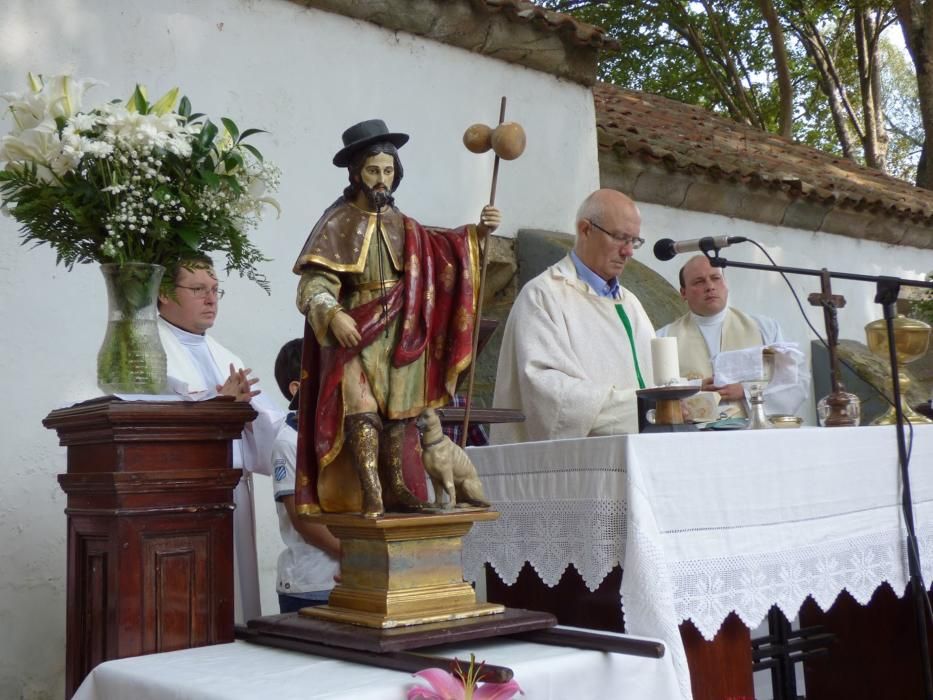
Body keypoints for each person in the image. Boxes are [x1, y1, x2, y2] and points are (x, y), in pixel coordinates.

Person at [292, 119, 500, 518]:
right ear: (356, 173)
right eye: (373, 171)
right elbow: (312, 284)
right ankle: (370, 490)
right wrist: (333, 314)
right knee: (361, 410)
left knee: (398, 416)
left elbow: (444, 252)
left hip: (404, 331)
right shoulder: (336, 223)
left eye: (388, 171)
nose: (381, 180)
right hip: (357, 329)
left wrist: (478, 233)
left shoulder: (404, 226)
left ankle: (397, 486)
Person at [157, 253, 285, 620]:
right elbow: (151, 419)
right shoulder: (146, 350)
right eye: (198, 289)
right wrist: (220, 406)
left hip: (232, 493)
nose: (211, 299)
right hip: (181, 497)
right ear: (164, 293)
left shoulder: (225, 355)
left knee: (234, 605)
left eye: (215, 290)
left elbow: (270, 433)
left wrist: (242, 414)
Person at [491, 189, 654, 444]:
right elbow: (548, 394)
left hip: (637, 453)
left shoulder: (631, 304)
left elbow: (654, 377)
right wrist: (643, 409)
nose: (629, 251)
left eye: (634, 241)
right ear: (586, 229)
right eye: (621, 238)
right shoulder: (543, 296)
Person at [656, 254, 809, 417]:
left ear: (726, 285)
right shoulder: (663, 338)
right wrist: (695, 386)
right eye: (699, 282)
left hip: (752, 434)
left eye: (716, 278)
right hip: (692, 436)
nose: (710, 286)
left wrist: (747, 392)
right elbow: (651, 388)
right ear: (683, 293)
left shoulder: (765, 328)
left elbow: (797, 381)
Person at [271, 339, 340, 613]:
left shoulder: (342, 432)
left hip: (351, 577)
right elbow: (302, 519)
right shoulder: (288, 442)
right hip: (312, 584)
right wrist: (350, 555)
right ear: (297, 389)